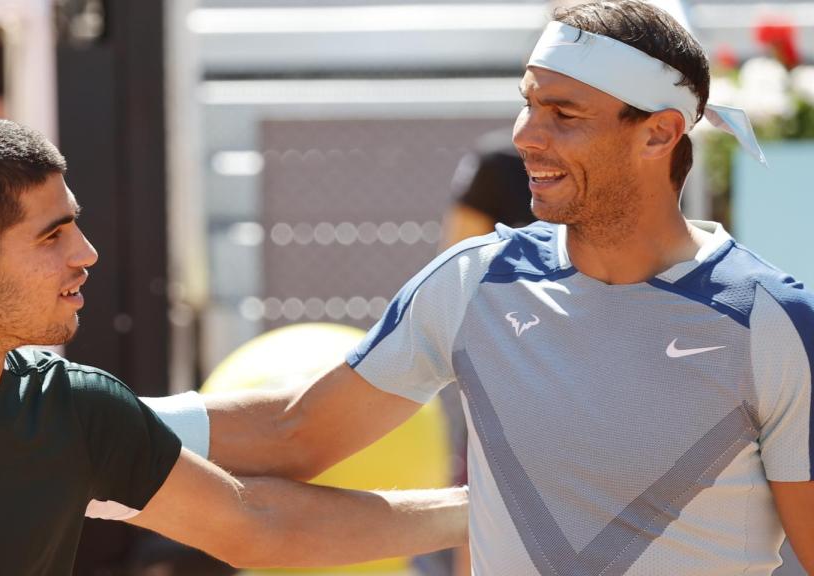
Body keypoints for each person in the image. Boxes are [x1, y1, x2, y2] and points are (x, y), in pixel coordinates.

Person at [180, 2, 814, 574]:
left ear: (658, 133)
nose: (525, 134)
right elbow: (295, 433)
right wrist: (93, 412)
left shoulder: (772, 321)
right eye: (529, 103)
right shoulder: (472, 280)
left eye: (563, 115)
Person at [0, 111, 468, 574]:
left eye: (75, 226)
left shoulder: (77, 413)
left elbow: (257, 519)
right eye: (52, 235)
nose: (86, 253)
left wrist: (485, 510)